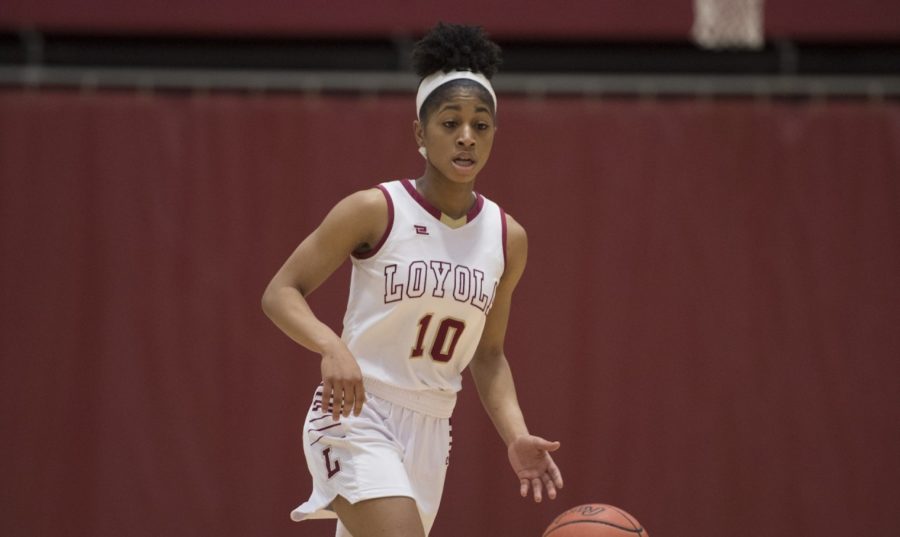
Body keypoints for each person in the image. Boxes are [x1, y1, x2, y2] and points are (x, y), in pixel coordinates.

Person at [262, 22, 564, 537]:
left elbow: (487, 355)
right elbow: (280, 293)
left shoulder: (507, 237)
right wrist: (331, 347)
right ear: (420, 134)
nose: (467, 136)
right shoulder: (374, 210)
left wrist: (515, 434)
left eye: (481, 124)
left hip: (431, 429)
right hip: (356, 416)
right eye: (450, 123)